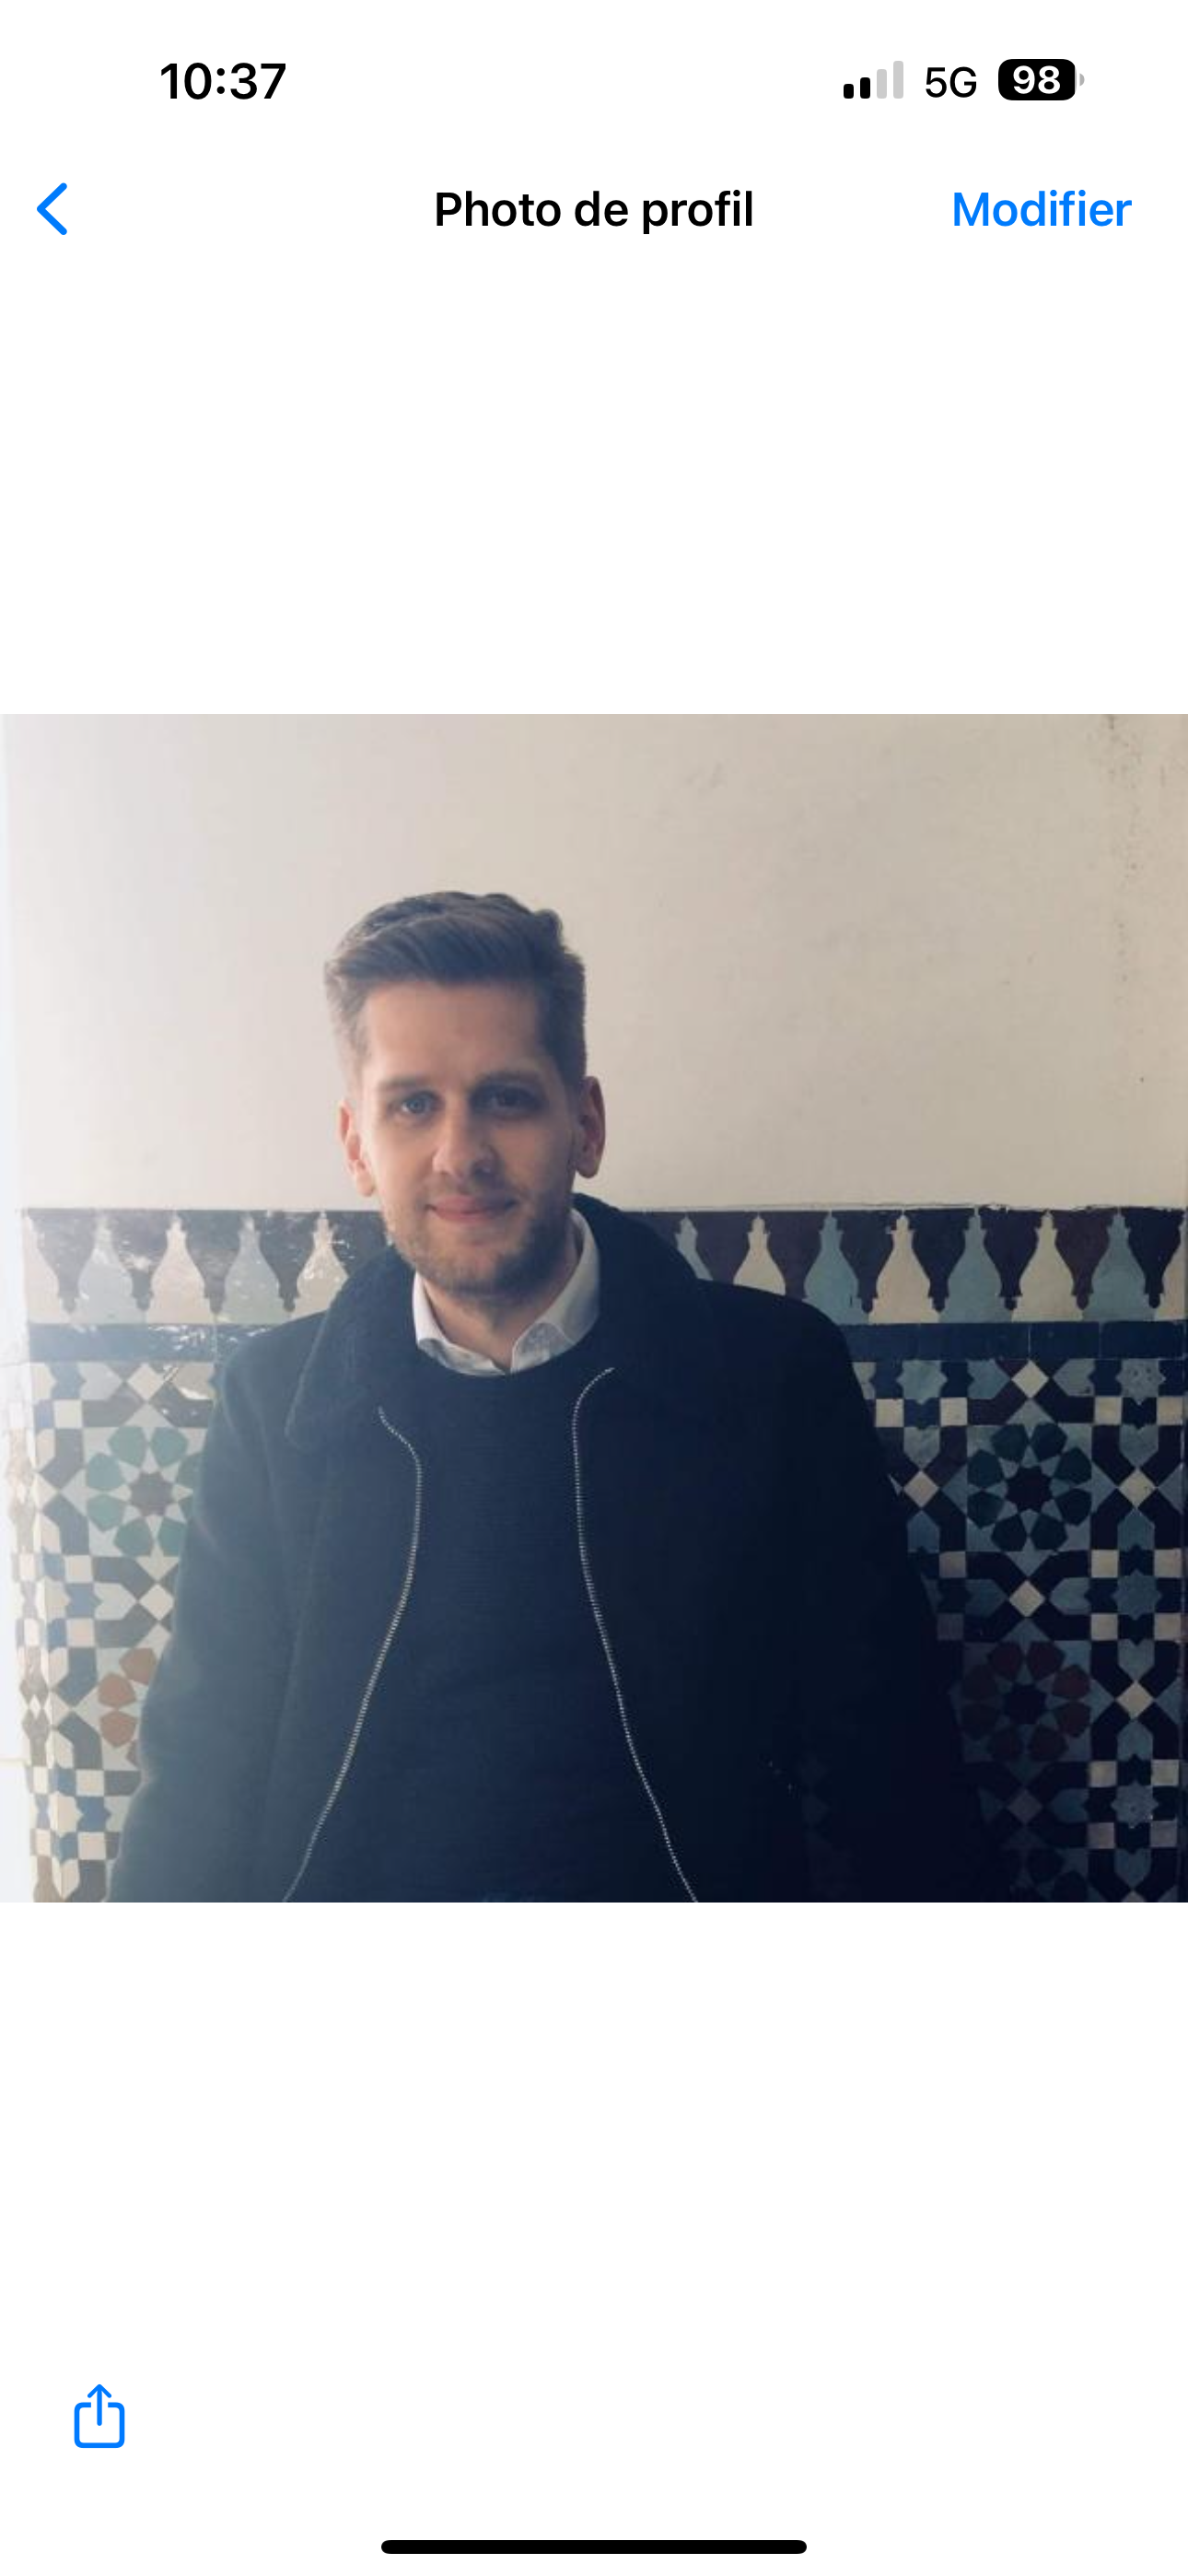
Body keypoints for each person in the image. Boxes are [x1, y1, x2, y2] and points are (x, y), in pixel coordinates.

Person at [110, 891, 1000, 1903]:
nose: (460, 1154)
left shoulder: (772, 1377)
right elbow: (202, 1766)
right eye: (412, 1106)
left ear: (586, 1123)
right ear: (357, 1145)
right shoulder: (274, 1403)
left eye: (505, 1098)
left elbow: (890, 1756)